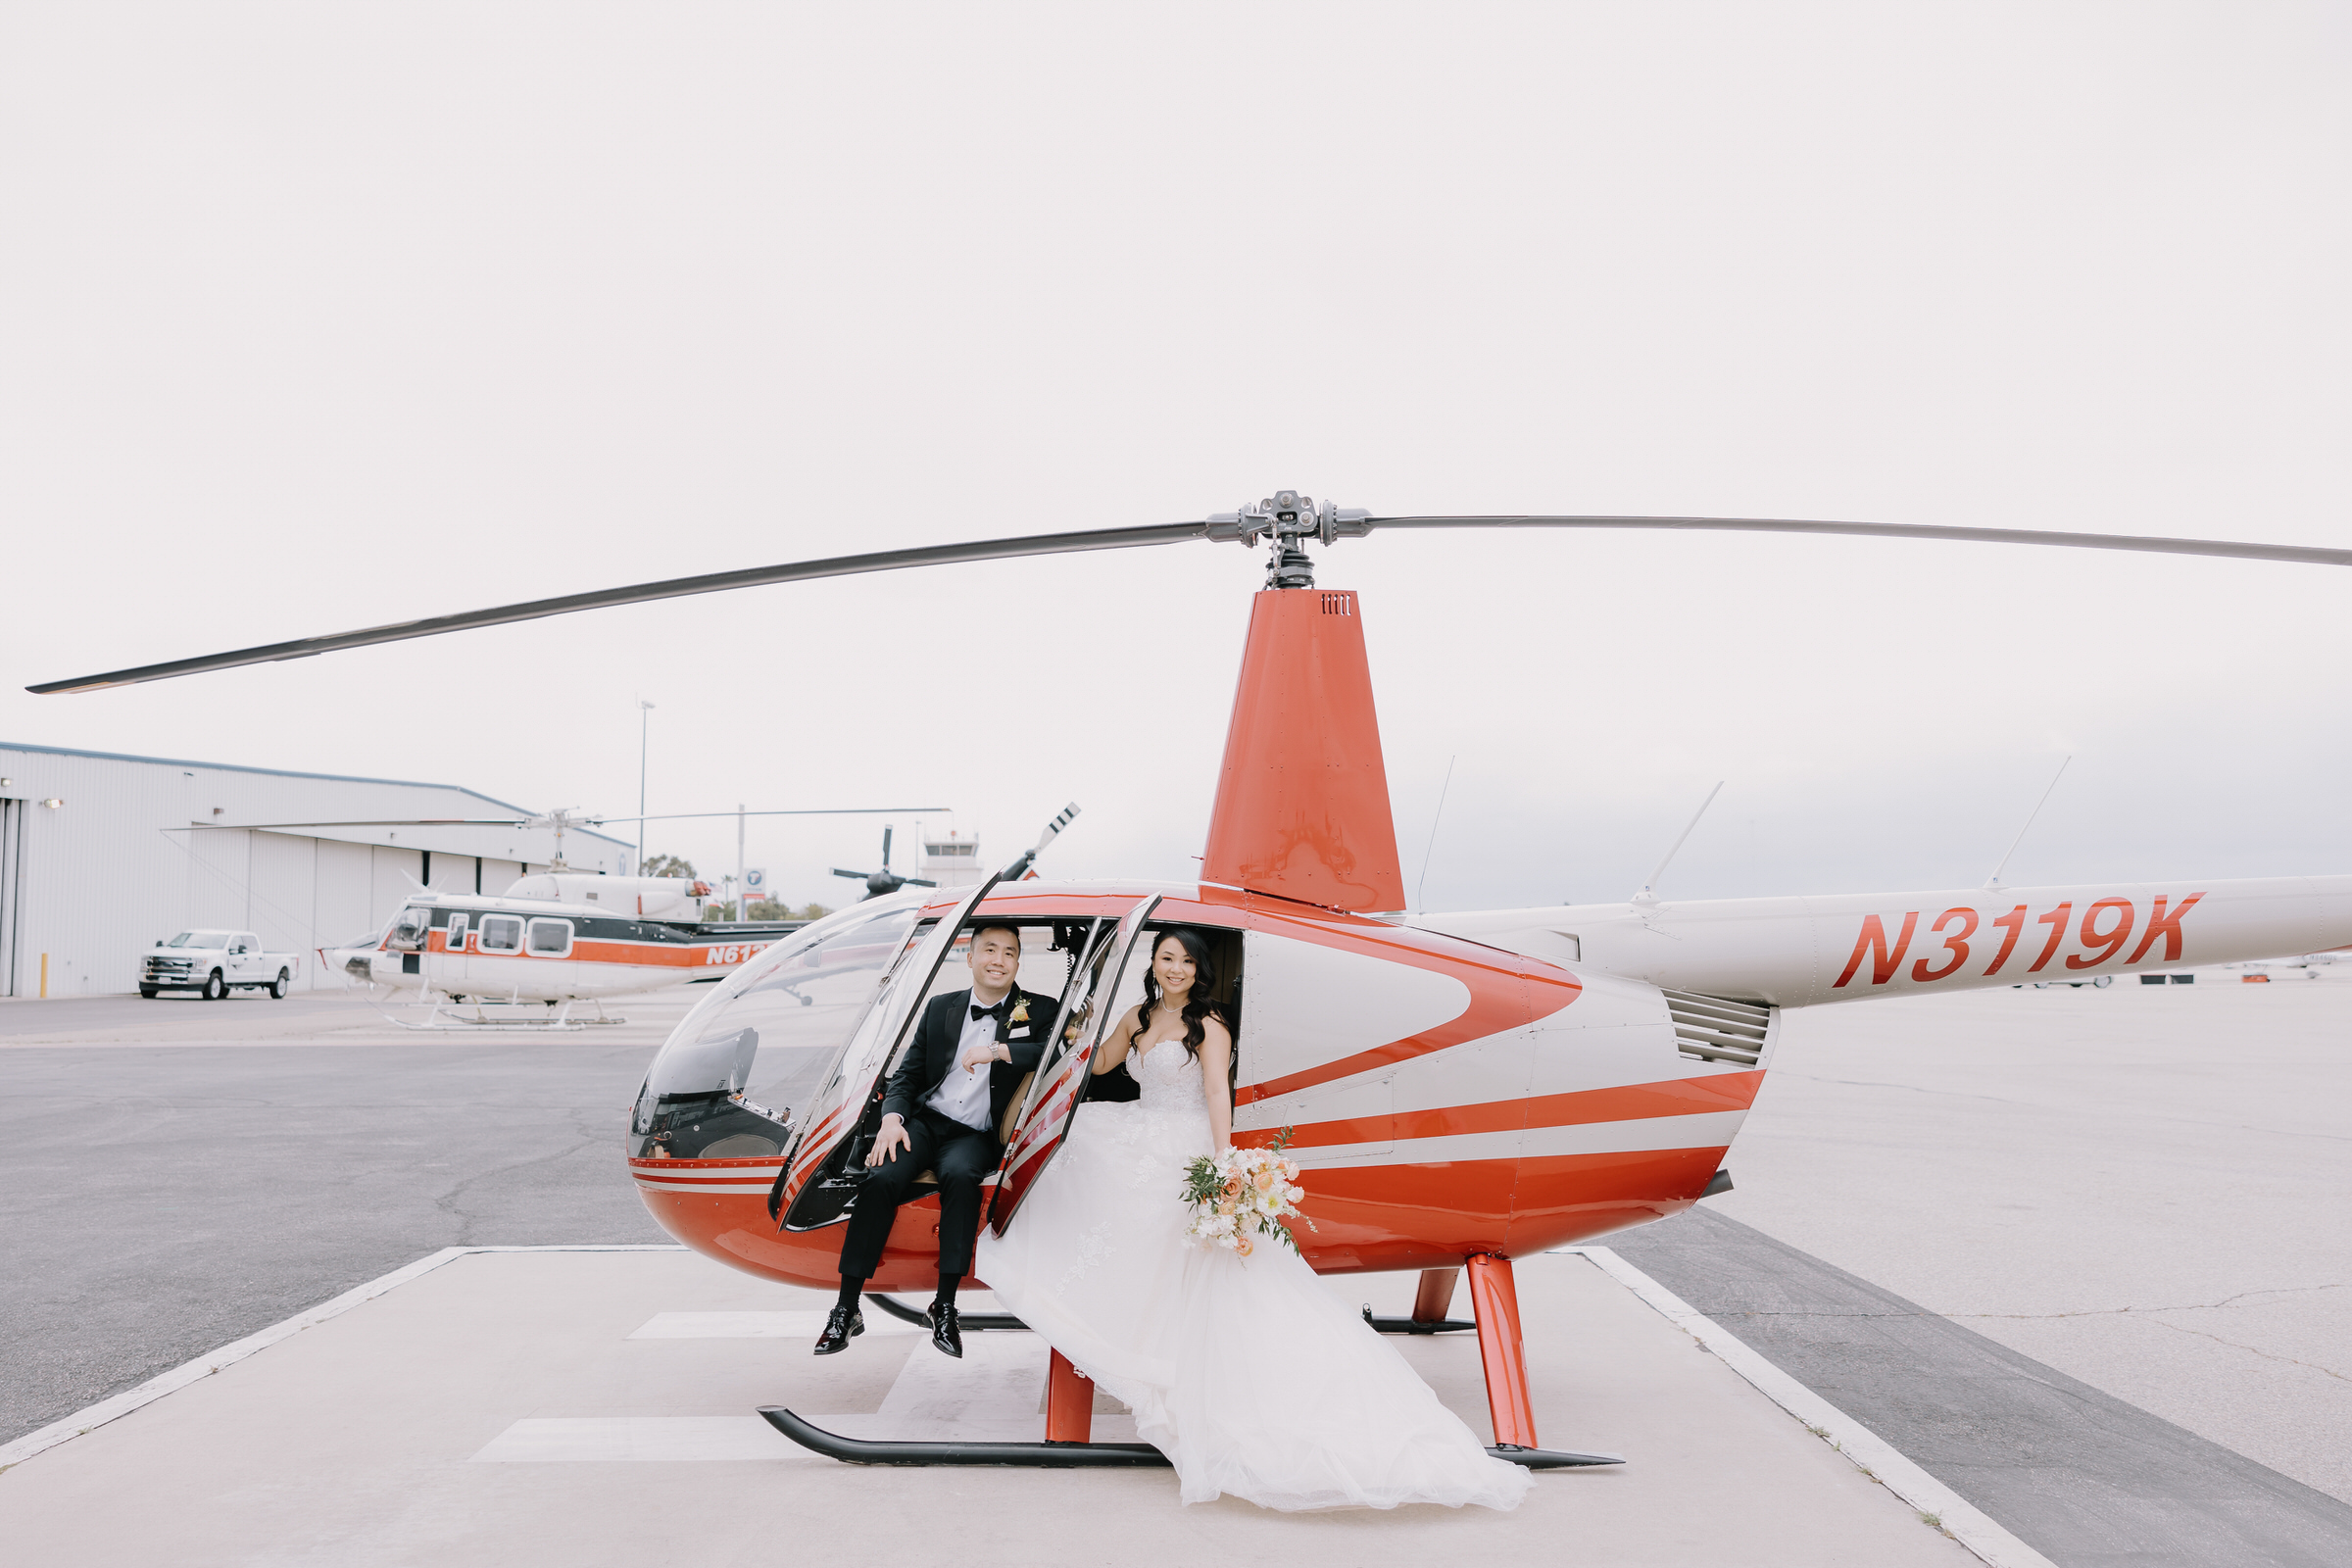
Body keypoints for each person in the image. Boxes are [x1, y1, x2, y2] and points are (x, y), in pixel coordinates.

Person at [975, 927, 1533, 1512]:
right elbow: (1102, 1061)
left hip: (1185, 1142)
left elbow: (1218, 1091)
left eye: (1186, 962)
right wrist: (1068, 1037)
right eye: (1167, 958)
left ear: (1198, 971)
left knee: (1184, 1246)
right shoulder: (1138, 1015)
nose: (1176, 969)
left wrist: (1224, 1166)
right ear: (1154, 963)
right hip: (1139, 1125)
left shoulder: (1208, 1025)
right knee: (1076, 1147)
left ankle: (1161, 1351)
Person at [815, 921, 1056, 1359]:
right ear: (970, 957)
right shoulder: (940, 1007)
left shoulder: (1038, 1009)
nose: (998, 959)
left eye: (1009, 952)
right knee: (881, 1177)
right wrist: (892, 1119)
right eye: (989, 950)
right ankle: (846, 1307)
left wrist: (1000, 1051)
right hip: (927, 1121)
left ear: (1018, 962)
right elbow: (908, 1074)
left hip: (978, 1132)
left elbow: (1056, 1051)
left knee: (962, 1179)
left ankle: (945, 1305)